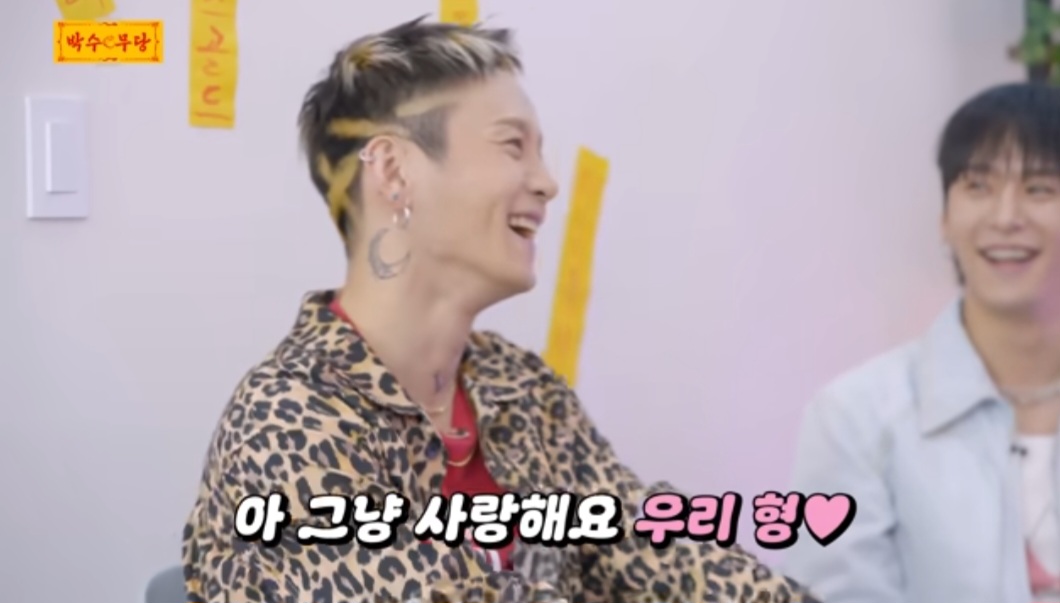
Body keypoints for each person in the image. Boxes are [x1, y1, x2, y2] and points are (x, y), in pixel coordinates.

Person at [181, 15, 818, 603]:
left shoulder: (518, 386)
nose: (547, 182)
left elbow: (648, 547)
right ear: (394, 173)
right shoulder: (288, 417)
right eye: (513, 146)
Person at [781, 82, 1060, 603]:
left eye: (1040, 188)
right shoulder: (855, 418)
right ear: (945, 219)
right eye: (977, 186)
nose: (1006, 217)